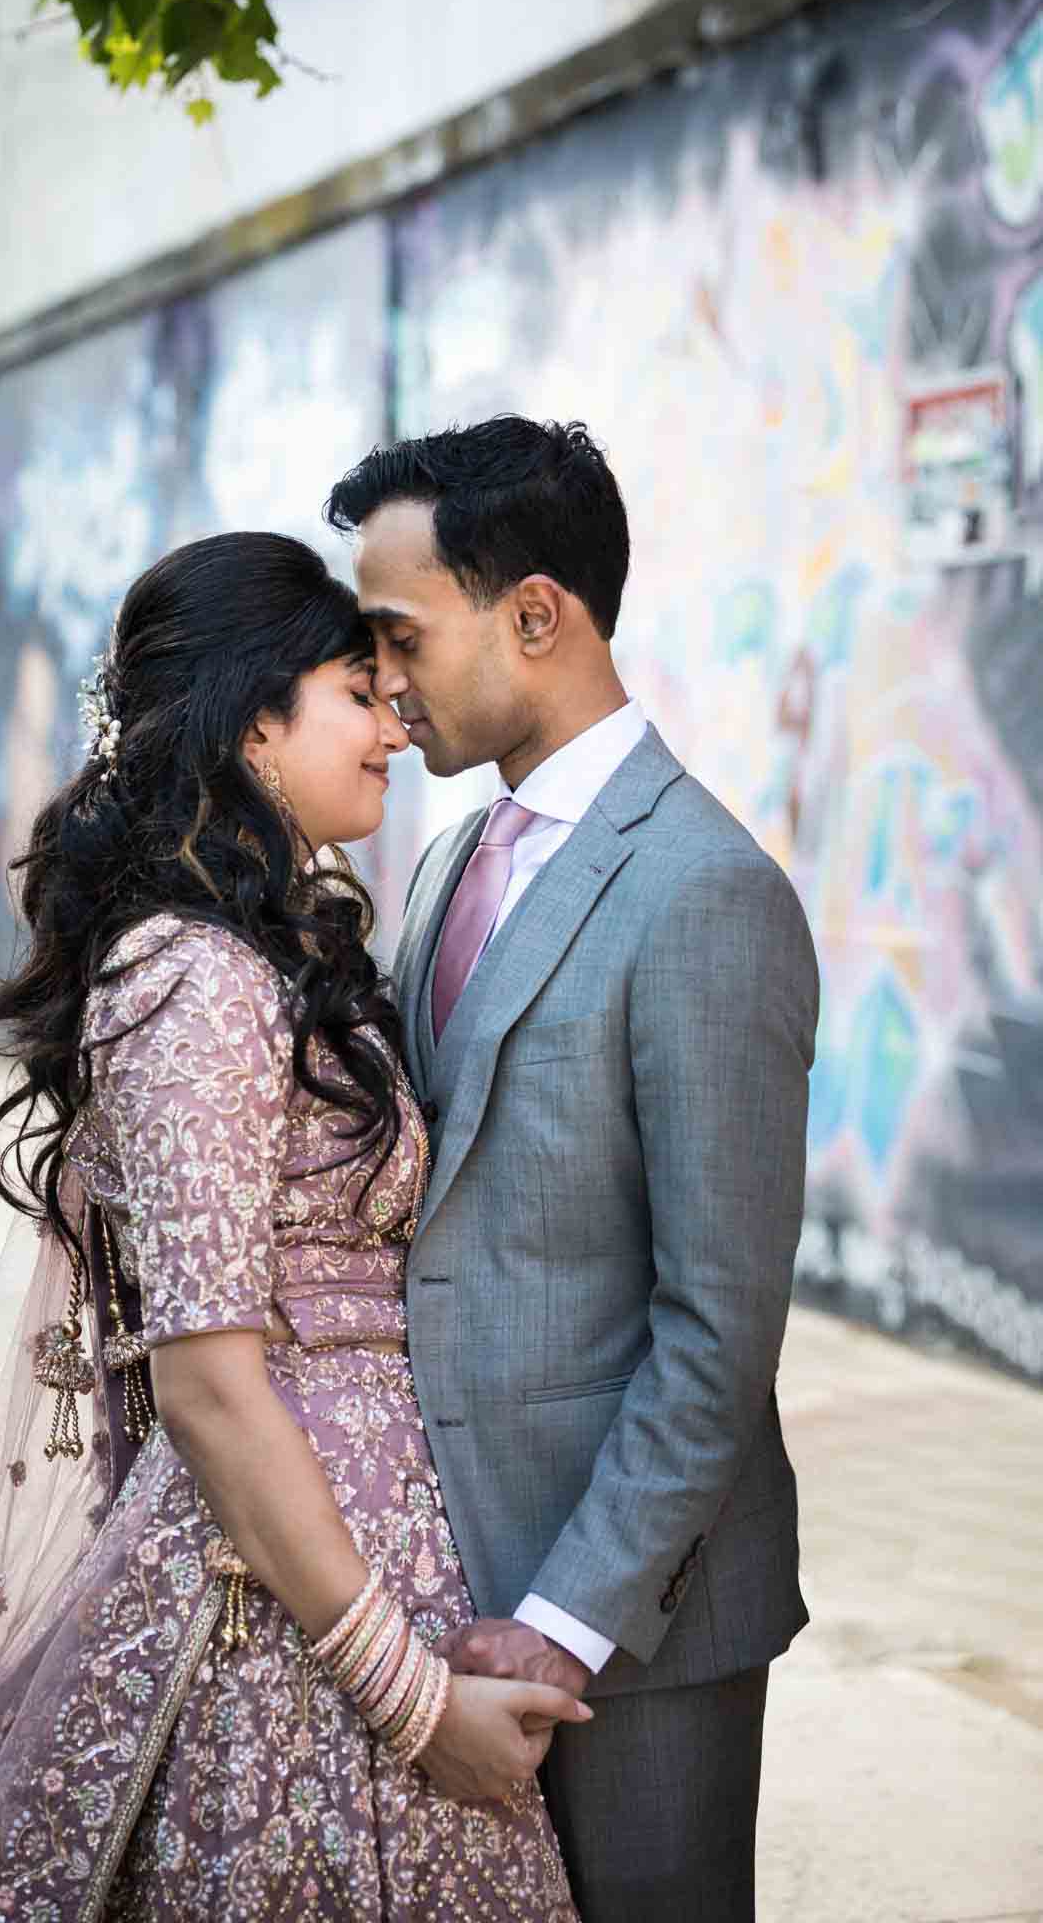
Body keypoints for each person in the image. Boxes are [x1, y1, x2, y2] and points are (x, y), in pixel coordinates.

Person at [0, 531, 586, 1923]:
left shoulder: (268, 953)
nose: (390, 723)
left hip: (365, 1548)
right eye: (355, 692)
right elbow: (206, 1380)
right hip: (269, 1611)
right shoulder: (191, 979)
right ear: (255, 721)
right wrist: (410, 1704)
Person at [326, 417, 820, 1923]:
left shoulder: (706, 895)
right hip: (439, 1585)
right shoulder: (446, 860)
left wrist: (568, 1619)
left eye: (398, 635)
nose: (379, 681)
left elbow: (717, 1324)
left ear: (533, 615)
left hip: (631, 1624)